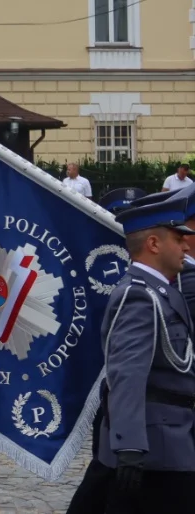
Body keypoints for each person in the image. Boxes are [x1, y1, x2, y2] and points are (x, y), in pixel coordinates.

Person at [66, 191, 195, 513]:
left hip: (173, 442)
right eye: (179, 238)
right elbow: (127, 374)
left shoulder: (162, 291)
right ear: (154, 243)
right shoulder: (139, 297)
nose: (186, 246)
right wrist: (130, 446)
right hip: (157, 450)